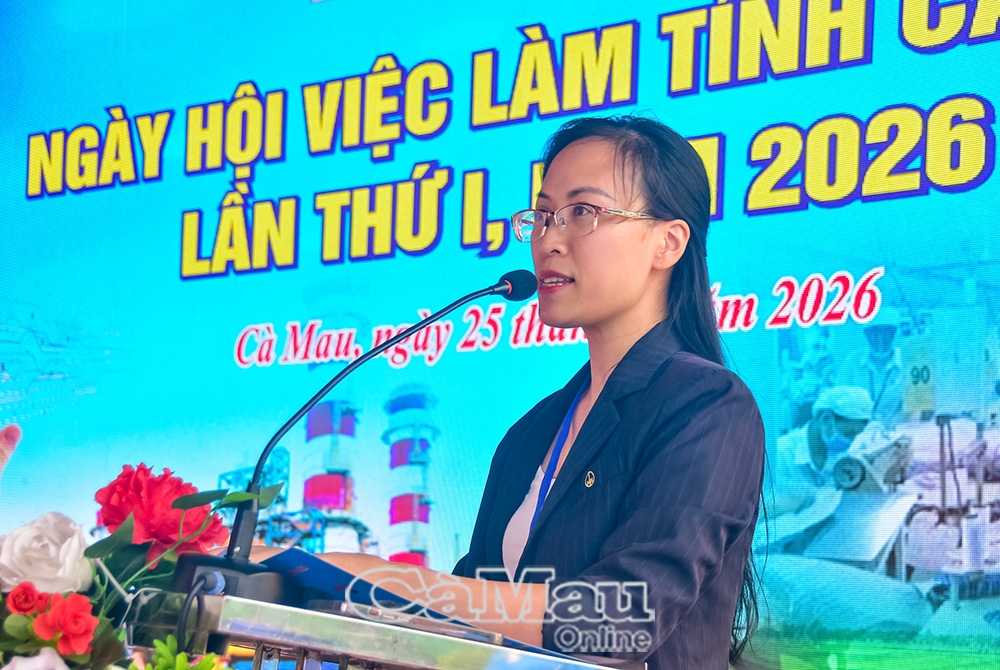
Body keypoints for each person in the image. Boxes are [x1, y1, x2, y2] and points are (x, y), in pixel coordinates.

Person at [288, 116, 765, 670]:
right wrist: (307, 577)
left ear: (668, 242)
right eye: (542, 216)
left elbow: (620, 619)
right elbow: (465, 622)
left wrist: (379, 578)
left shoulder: (706, 406)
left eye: (582, 212)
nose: (548, 240)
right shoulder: (533, 432)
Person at [766, 386, 872, 528]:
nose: (851, 442)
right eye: (848, 435)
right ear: (826, 420)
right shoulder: (780, 455)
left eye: (856, 436)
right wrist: (787, 504)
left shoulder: (843, 455)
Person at [837, 307, 905, 427]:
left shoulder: (907, 359)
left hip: (900, 427)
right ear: (867, 335)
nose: (880, 339)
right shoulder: (852, 361)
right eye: (875, 333)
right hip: (860, 428)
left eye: (886, 333)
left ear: (893, 334)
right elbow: (840, 396)